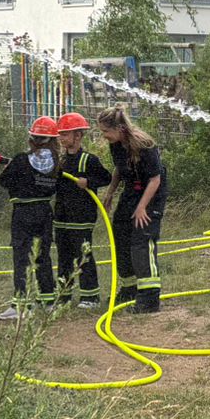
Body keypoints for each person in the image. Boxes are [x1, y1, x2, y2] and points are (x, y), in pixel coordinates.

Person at [99, 105, 166, 313]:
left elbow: (155, 179)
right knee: (120, 235)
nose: (104, 136)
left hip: (151, 195)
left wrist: (142, 207)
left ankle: (149, 298)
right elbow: (120, 168)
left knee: (141, 241)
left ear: (119, 129)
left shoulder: (144, 144)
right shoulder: (116, 145)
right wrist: (110, 192)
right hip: (131, 192)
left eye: (105, 132)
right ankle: (129, 289)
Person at [0, 116, 59, 320]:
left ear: (32, 138)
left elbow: (5, 181)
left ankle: (21, 305)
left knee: (22, 257)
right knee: (43, 256)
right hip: (44, 213)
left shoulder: (21, 159)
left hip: (23, 214)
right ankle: (48, 301)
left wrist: (8, 167)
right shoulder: (57, 162)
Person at [52, 111, 111, 310]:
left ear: (78, 136)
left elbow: (107, 178)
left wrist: (89, 182)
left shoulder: (89, 160)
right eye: (60, 135)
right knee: (64, 257)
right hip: (61, 217)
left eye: (65, 134)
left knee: (83, 256)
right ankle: (64, 296)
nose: (61, 138)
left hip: (82, 217)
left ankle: (90, 297)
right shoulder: (59, 161)